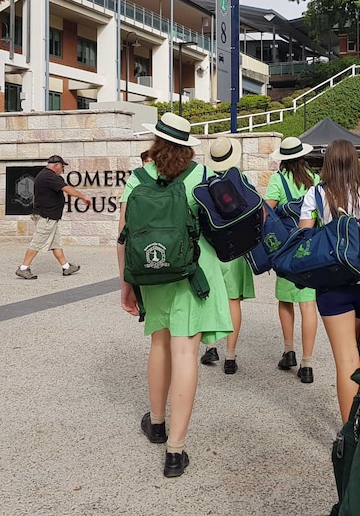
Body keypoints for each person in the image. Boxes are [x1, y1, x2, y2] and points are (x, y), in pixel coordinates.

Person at [117, 112, 232, 479]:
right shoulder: (201, 177)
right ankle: (175, 451)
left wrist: (127, 283)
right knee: (186, 353)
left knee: (159, 345)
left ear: (155, 141)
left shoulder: (137, 178)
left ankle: (156, 423)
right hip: (193, 274)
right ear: (187, 146)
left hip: (151, 277)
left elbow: (121, 236)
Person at [299, 139, 360, 421]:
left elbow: (305, 240)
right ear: (355, 162)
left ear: (327, 163)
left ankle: (350, 432)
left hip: (332, 284)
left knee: (345, 361)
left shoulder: (316, 194)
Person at [265, 137, 320, 383]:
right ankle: (307, 365)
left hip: (286, 248)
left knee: (285, 301)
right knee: (308, 305)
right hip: (311, 247)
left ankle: (289, 352)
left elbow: (266, 210)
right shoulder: (315, 179)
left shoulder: (278, 179)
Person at [199, 136, 256, 375]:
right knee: (233, 301)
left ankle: (211, 346)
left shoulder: (202, 182)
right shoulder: (242, 180)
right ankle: (230, 357)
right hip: (236, 249)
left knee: (212, 299)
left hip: (210, 249)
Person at [16, 155, 91, 279]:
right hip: (46, 217)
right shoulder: (49, 176)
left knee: (55, 244)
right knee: (37, 242)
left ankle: (66, 267)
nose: (62, 169)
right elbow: (67, 189)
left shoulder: (44, 175)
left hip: (49, 217)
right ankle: (23, 268)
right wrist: (83, 197)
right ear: (56, 165)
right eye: (62, 167)